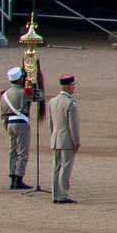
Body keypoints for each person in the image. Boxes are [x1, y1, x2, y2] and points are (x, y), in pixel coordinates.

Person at [49, 73, 81, 204]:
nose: (74, 88)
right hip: (67, 139)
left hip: (56, 138)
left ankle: (55, 193)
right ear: (68, 86)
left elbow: (51, 123)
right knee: (66, 167)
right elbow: (72, 125)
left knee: (56, 167)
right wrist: (76, 141)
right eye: (73, 85)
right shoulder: (70, 103)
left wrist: (53, 136)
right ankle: (63, 194)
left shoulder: (52, 101)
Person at [1, 66, 32, 190]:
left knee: (12, 151)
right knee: (22, 151)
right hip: (21, 122)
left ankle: (12, 175)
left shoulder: (5, 94)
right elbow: (35, 96)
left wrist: (6, 125)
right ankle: (19, 177)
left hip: (9, 123)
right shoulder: (24, 92)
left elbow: (2, 113)